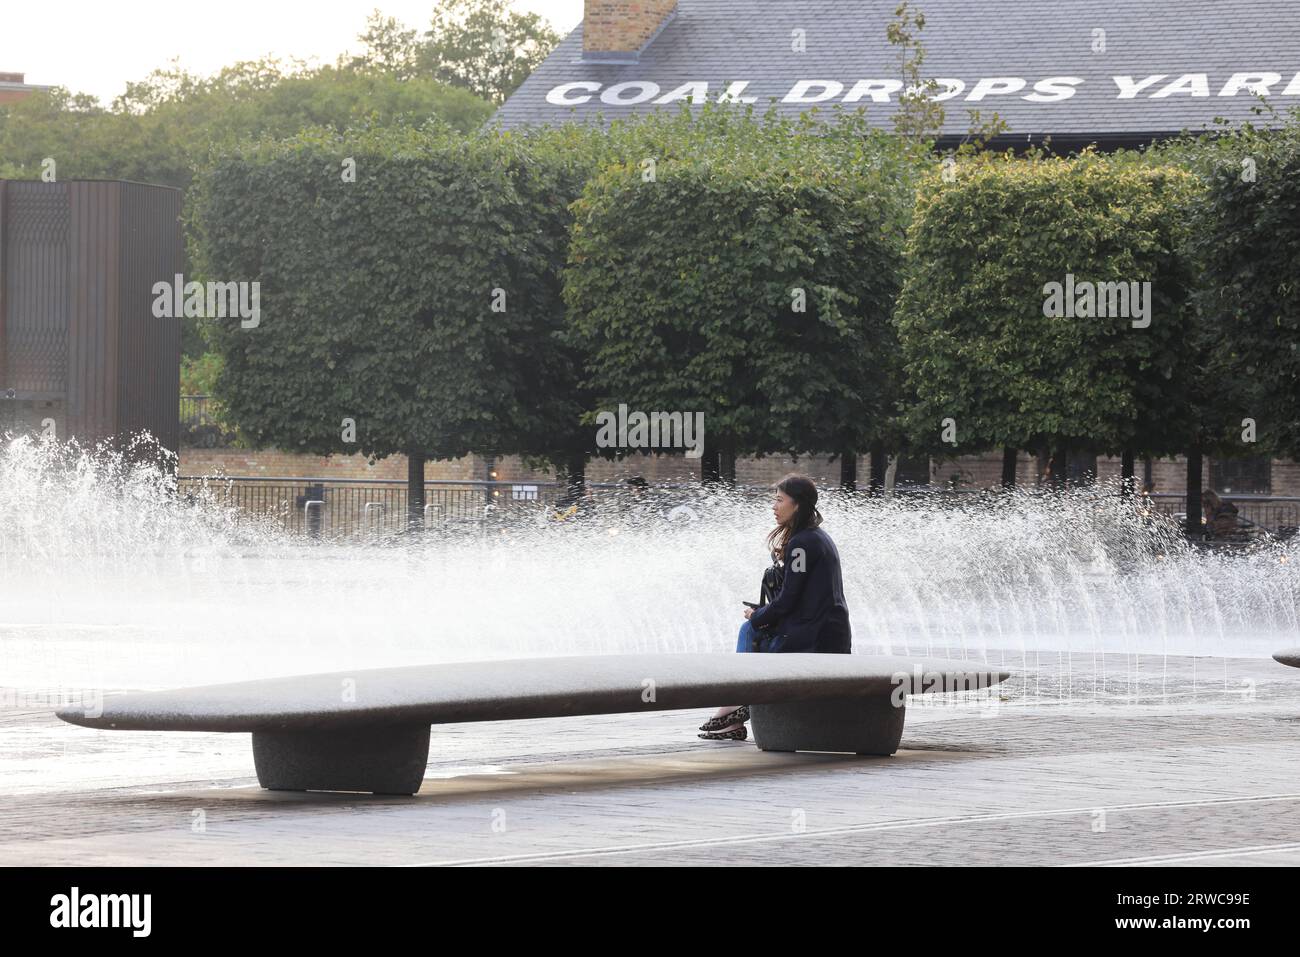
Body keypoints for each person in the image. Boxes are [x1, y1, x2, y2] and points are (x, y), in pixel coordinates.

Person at [698, 473, 852, 741]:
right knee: (753, 628)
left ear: (798, 505)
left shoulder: (802, 543)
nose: (774, 506)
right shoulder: (815, 538)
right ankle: (735, 706)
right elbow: (797, 597)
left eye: (780, 500)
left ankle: (736, 703)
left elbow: (789, 599)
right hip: (825, 632)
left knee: (749, 629)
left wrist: (758, 615)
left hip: (815, 638)